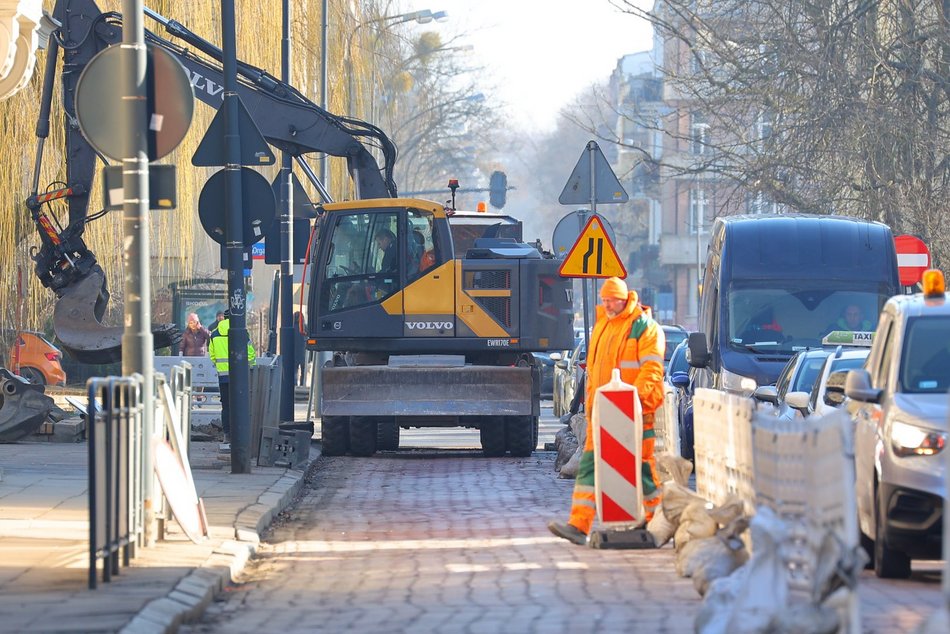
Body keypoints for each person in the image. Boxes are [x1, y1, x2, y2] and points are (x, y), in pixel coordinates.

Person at [548, 277, 666, 545]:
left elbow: (651, 371)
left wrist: (634, 403)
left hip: (636, 412)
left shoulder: (643, 328)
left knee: (642, 467)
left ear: (625, 299)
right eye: (604, 300)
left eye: (611, 299)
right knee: (589, 466)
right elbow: (595, 373)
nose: (607, 304)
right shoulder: (603, 325)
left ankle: (654, 520)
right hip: (603, 412)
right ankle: (578, 525)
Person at [208, 310, 257, 443]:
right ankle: (240, 434)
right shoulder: (242, 332)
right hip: (240, 376)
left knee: (226, 406)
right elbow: (251, 353)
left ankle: (227, 435)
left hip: (223, 377)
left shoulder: (214, 334)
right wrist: (251, 365)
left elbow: (212, 355)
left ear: (223, 318)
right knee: (241, 404)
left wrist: (221, 367)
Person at [293, 311, 308, 387]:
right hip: (303, 352)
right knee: (303, 371)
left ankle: (295, 384)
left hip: (294, 352)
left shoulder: (292, 328)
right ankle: (302, 384)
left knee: (294, 370)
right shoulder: (305, 327)